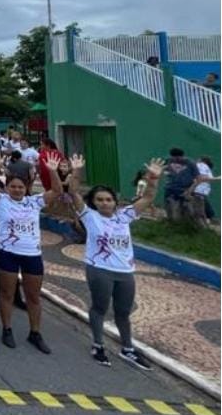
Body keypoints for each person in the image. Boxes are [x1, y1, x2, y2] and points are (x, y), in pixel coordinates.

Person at [66, 154, 161, 369]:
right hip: (100, 269)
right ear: (93, 202)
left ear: (115, 202)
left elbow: (147, 198)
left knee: (123, 312)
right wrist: (77, 171)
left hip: (125, 271)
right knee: (100, 307)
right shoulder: (89, 216)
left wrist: (154, 178)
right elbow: (73, 192)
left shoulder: (125, 215)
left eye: (108, 199)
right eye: (99, 200)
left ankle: (128, 348)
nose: (104, 203)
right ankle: (98, 345)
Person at [0, 149, 63, 353]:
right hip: (6, 252)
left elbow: (57, 191)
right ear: (7, 187)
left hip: (31, 254)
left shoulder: (34, 202)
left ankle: (35, 333)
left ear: (26, 188)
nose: (17, 190)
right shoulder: (0, 200)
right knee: (7, 293)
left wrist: (53, 171)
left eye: (20, 187)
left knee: (33, 296)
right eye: (13, 187)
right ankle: (7, 328)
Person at [162, 148, 199, 221]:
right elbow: (163, 170)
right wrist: (165, 175)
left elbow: (198, 178)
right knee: (169, 209)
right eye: (173, 157)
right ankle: (170, 223)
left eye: (177, 158)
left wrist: (190, 190)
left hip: (184, 190)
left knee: (185, 211)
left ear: (182, 156)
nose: (175, 159)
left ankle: (183, 226)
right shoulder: (168, 160)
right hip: (170, 188)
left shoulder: (190, 163)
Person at [188, 156, 220, 227]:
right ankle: (205, 225)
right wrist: (217, 178)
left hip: (197, 190)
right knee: (200, 211)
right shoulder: (202, 166)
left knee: (204, 206)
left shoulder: (200, 166)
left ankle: (211, 219)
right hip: (198, 190)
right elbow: (202, 178)